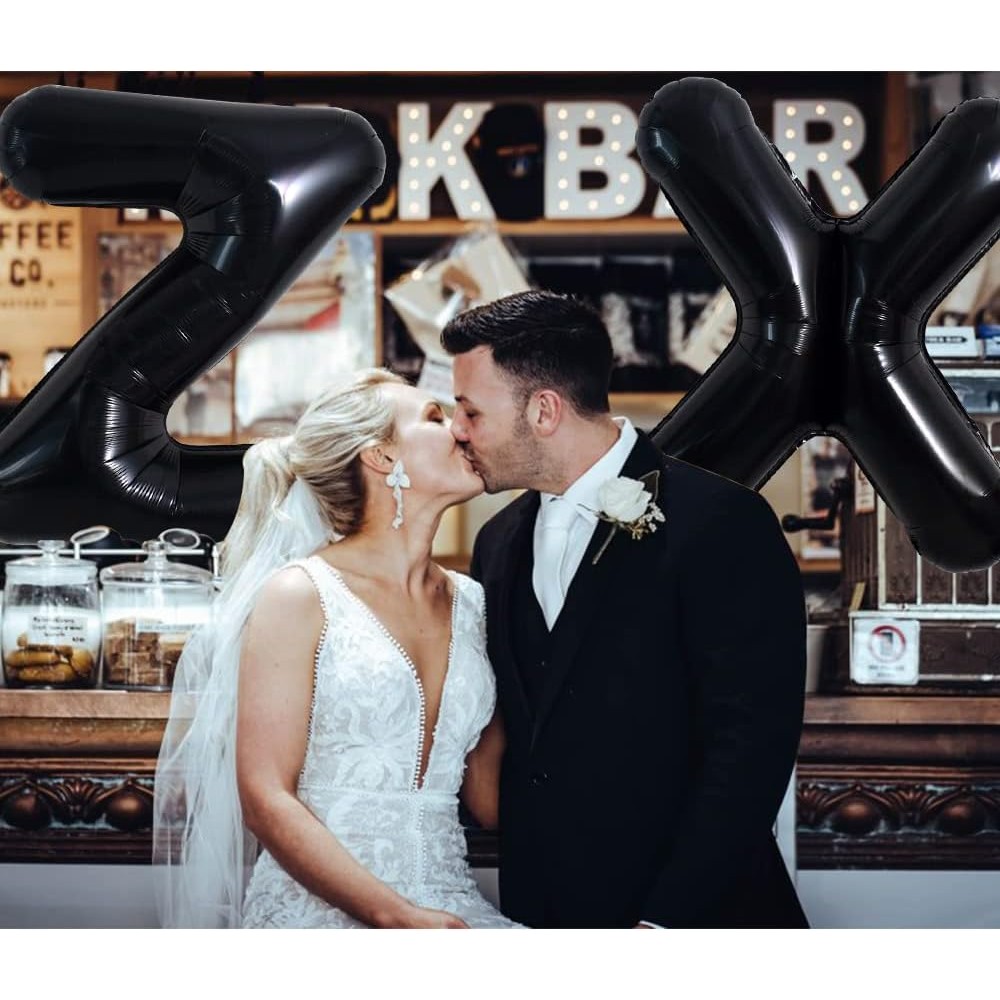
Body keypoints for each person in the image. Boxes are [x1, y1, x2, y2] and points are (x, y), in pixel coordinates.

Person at [441, 289, 809, 929]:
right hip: (547, 913)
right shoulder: (496, 542)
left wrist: (664, 923)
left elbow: (750, 747)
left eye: (470, 410)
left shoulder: (721, 521)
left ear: (544, 410)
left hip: (696, 921)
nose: (457, 429)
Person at [153, 368, 521, 929]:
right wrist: (398, 918)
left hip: (451, 908)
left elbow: (489, 798)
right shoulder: (300, 594)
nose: (460, 429)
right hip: (320, 912)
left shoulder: (472, 602)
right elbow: (265, 798)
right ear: (380, 455)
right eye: (435, 417)